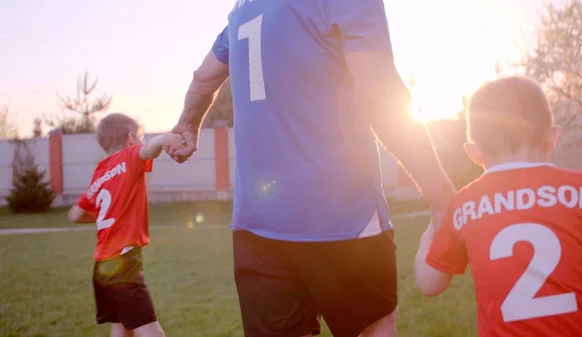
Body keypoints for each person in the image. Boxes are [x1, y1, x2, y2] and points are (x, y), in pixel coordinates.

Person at [165, 0, 456, 336]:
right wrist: (439, 192)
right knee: (372, 328)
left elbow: (203, 79)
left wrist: (187, 125)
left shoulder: (244, 9)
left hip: (256, 225)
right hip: (343, 216)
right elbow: (378, 92)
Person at [414, 76, 582, 336]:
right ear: (552, 137)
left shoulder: (465, 205)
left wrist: (435, 222)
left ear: (474, 152)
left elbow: (429, 283)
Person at [68, 113, 184, 337]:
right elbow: (151, 149)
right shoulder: (129, 156)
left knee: (122, 327)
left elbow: (74, 214)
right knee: (151, 331)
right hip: (123, 260)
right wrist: (168, 138)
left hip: (101, 266)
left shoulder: (100, 174)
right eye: (140, 136)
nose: (142, 141)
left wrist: (109, 214)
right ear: (131, 138)